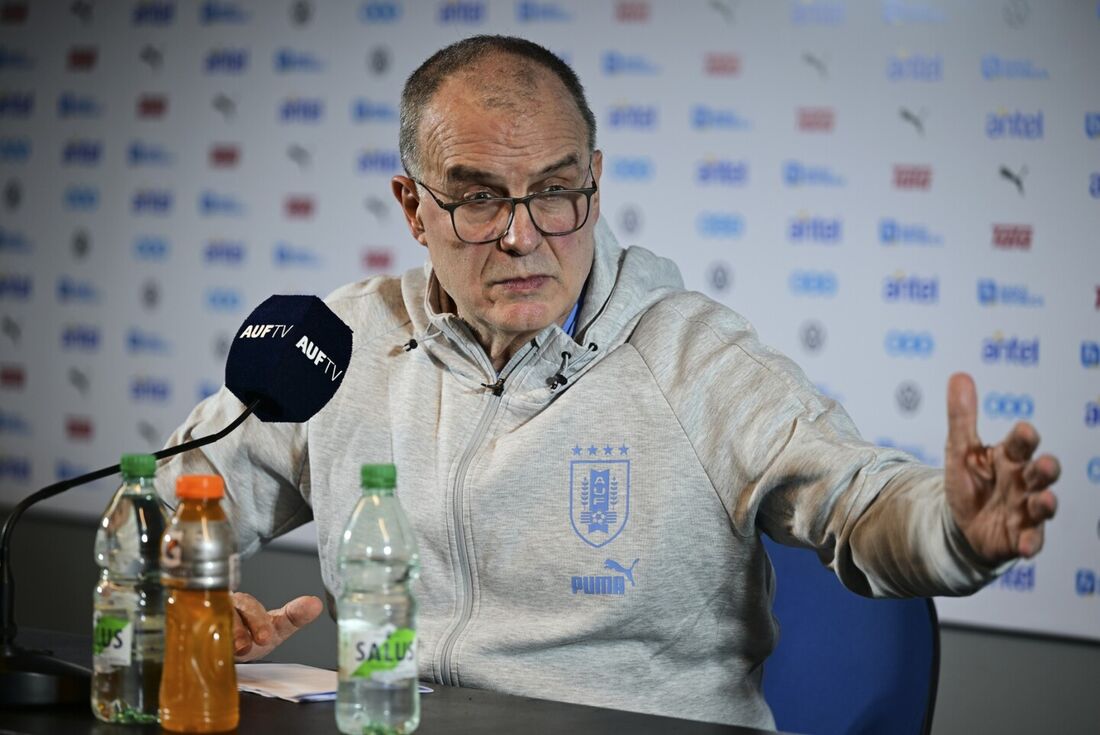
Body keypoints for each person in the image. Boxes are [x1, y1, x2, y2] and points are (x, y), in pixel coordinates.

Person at [157, 35, 1060, 728]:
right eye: (478, 199)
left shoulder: (695, 358)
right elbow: (171, 499)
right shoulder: (341, 342)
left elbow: (862, 504)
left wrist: (956, 528)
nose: (523, 237)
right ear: (413, 206)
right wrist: (189, 592)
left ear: (594, 181)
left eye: (555, 192)